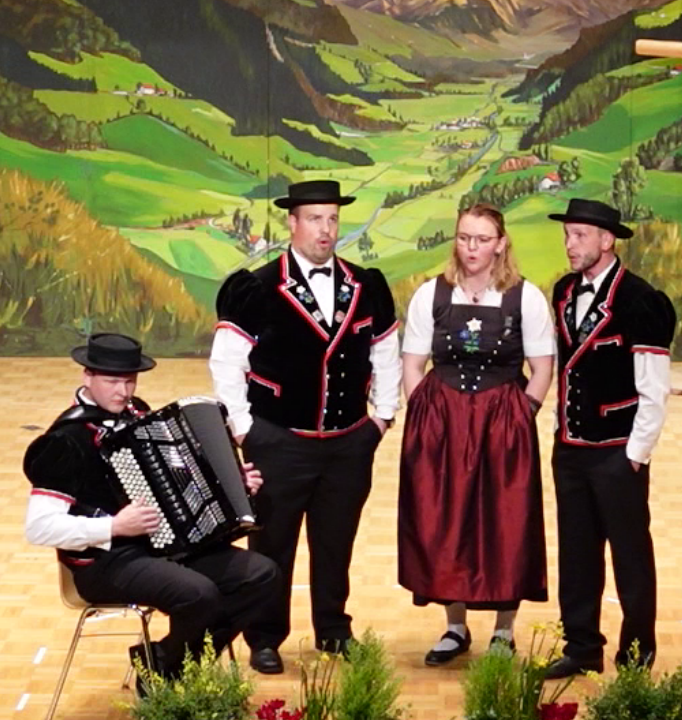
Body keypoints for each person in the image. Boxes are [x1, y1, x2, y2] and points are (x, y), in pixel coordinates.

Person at [209, 180, 403, 674]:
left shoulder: (366, 285)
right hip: (279, 442)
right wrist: (245, 429)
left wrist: (381, 417)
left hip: (348, 444)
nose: (326, 229)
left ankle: (334, 630)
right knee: (273, 545)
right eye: (315, 219)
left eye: (332, 219)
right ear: (292, 223)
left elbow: (385, 351)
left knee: (336, 544)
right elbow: (227, 362)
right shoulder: (256, 287)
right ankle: (265, 636)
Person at [23, 332, 279, 682]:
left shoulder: (137, 413)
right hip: (106, 562)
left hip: (165, 547)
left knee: (261, 575)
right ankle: (170, 676)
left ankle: (161, 662)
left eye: (129, 381)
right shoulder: (65, 441)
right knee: (197, 594)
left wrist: (233, 483)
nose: (123, 392)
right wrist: (114, 526)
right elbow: (38, 528)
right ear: (87, 376)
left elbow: (173, 476)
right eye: (112, 381)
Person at [397, 204, 554, 666]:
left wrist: (522, 414)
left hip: (502, 422)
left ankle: (504, 631)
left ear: (500, 244)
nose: (471, 247)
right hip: (443, 422)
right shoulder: (432, 294)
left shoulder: (525, 298)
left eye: (482, 239)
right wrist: (424, 414)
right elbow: (412, 362)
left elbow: (542, 368)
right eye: (465, 237)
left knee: (507, 520)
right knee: (445, 519)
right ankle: (455, 627)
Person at [541, 199, 677, 679]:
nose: (569, 244)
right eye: (567, 235)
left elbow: (654, 389)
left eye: (579, 235)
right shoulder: (563, 292)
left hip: (617, 453)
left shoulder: (640, 301)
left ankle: (636, 654)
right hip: (571, 448)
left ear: (606, 240)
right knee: (576, 555)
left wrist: (635, 455)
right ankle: (581, 647)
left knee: (630, 556)